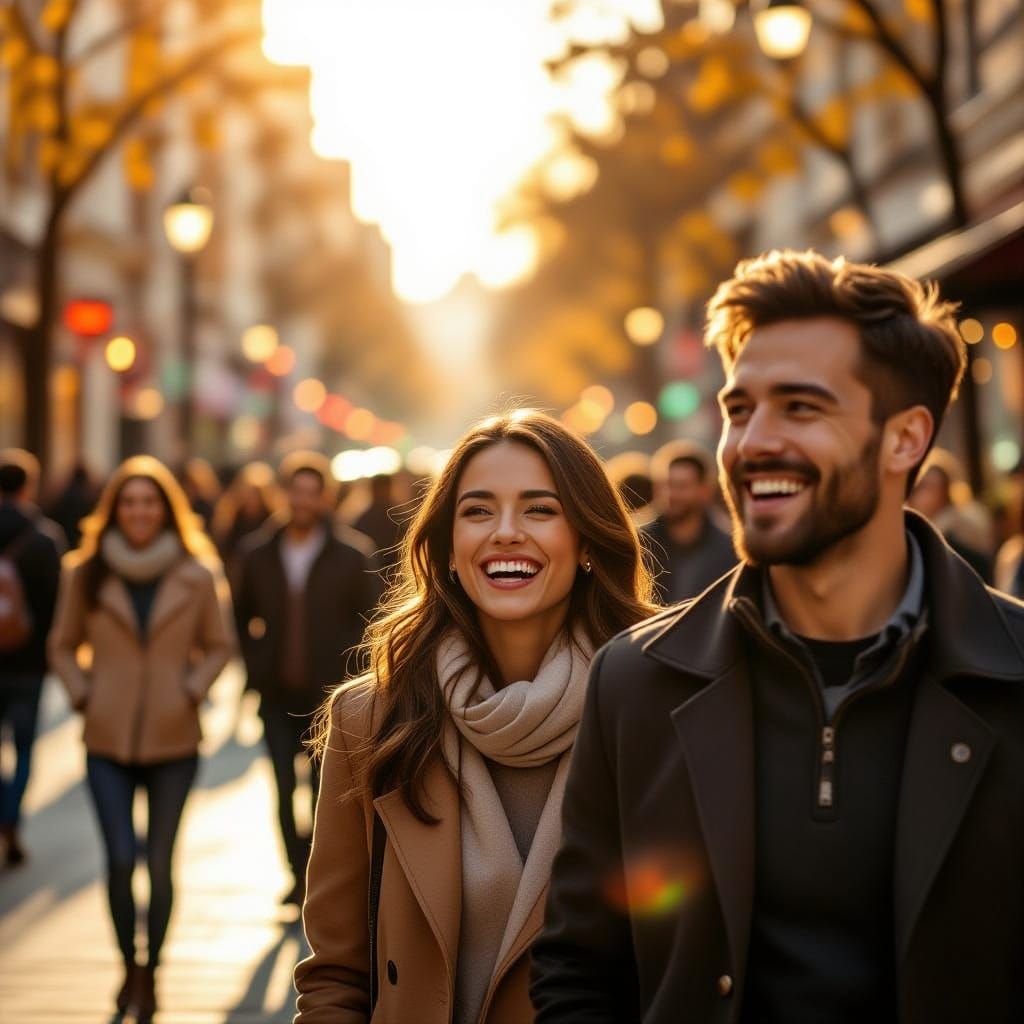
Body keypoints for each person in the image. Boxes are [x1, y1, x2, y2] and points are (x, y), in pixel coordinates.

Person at [532, 250, 1024, 1023]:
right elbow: (579, 966)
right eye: (739, 409)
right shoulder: (635, 681)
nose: (752, 442)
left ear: (904, 439)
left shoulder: (1014, 677)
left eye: (800, 407)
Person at [295, 410, 656, 1024]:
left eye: (540, 510)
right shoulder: (371, 719)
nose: (506, 532)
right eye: (478, 510)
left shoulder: (657, 714)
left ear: (589, 541)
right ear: (449, 548)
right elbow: (335, 974)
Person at [48, 456, 235, 1022]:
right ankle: (126, 964)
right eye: (128, 502)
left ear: (167, 510)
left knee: (159, 862)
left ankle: (152, 970)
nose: (138, 512)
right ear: (113, 511)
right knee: (119, 859)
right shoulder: (86, 571)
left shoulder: (196, 573)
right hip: (106, 738)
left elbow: (220, 644)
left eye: (149, 502)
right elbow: (61, 644)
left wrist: (192, 688)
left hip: (174, 738)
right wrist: (84, 693)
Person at [234, 451, 379, 905]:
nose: (302, 501)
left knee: (323, 791)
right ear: (284, 495)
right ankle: (296, 872)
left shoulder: (351, 555)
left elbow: (370, 619)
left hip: (330, 696)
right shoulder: (258, 553)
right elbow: (239, 617)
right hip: (276, 693)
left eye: (311, 494)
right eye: (295, 492)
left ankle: (318, 875)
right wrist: (256, 663)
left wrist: (352, 675)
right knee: (280, 785)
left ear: (325, 499)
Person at [0, 450, 62, 866]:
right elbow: (57, 605)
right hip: (28, 665)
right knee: (23, 748)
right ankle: (11, 816)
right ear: (28, 486)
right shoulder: (44, 539)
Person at [643, 440, 736, 603]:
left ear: (705, 491)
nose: (671, 495)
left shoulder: (728, 550)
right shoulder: (639, 543)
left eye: (681, 486)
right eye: (666, 485)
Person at [908, 448, 994, 581]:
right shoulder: (912, 530)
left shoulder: (963, 527)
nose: (920, 495)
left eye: (928, 487)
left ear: (945, 490)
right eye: (919, 487)